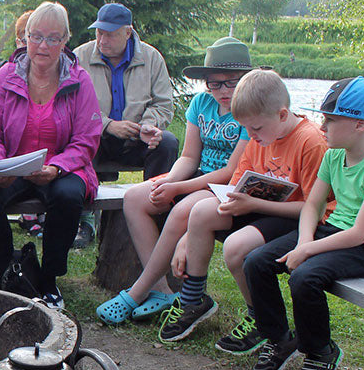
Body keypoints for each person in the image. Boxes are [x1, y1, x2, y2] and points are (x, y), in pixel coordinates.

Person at [157, 69, 328, 345]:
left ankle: (259, 318)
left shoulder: (309, 141)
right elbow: (234, 190)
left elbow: (314, 209)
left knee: (235, 246)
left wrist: (254, 203)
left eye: (256, 129)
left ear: (282, 115)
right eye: (246, 129)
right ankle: (192, 300)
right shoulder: (259, 137)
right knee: (201, 211)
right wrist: (190, 236)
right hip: (257, 207)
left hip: (293, 217)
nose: (251, 136)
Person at [96, 37, 255, 325]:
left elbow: (232, 171)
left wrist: (179, 188)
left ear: (245, 80)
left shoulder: (249, 111)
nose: (222, 91)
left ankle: (136, 291)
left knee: (182, 209)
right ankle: (161, 290)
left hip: (227, 187)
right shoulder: (200, 103)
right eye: (214, 83)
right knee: (135, 197)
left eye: (230, 83)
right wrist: (168, 180)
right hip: (197, 176)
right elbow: (189, 156)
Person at [0, 2, 102, 309]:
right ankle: (7, 268)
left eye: (53, 38)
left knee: (68, 196)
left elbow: (87, 139)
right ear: (24, 37)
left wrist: (57, 167)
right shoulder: (4, 76)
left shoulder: (79, 80)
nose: (43, 45)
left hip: (62, 167)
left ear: (65, 40)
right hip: (13, 163)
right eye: (36, 36)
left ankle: (49, 279)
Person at [244, 76, 364, 370]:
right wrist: (304, 242)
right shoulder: (333, 155)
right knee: (256, 261)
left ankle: (320, 352)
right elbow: (312, 207)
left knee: (304, 277)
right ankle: (279, 339)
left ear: (360, 125)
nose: (322, 126)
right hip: (333, 231)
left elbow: (358, 233)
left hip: (360, 244)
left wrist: (308, 252)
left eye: (331, 119)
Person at [74, 3, 179, 248]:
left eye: (110, 34)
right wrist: (108, 125)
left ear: (128, 32)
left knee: (167, 143)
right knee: (77, 144)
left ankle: (154, 213)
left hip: (137, 137)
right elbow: (72, 107)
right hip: (96, 135)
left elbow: (164, 104)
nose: (102, 39)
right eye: (99, 32)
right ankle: (84, 221)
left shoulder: (152, 58)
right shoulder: (79, 57)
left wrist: (148, 126)